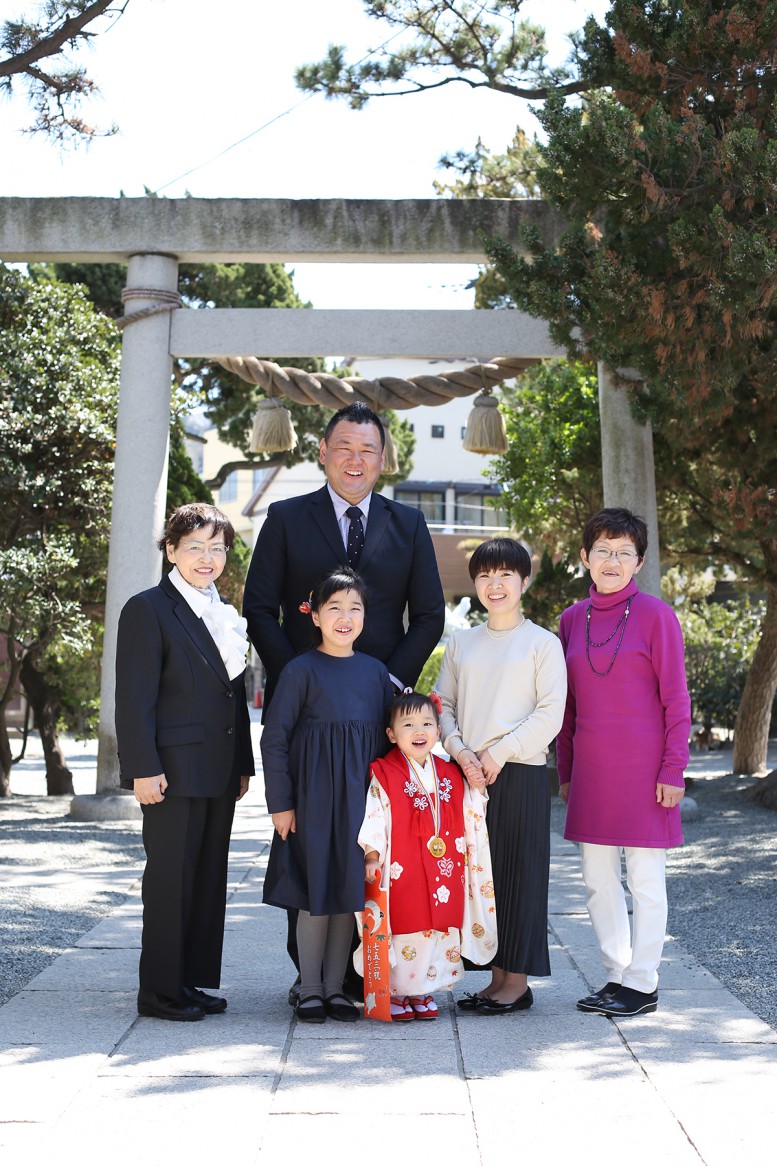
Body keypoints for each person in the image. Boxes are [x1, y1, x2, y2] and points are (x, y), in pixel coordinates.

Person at [243, 400, 445, 997]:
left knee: (373, 835)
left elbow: (429, 615)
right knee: (307, 833)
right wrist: (302, 674)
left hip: (377, 710)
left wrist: (386, 684)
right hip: (307, 711)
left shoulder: (407, 524)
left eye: (368, 450)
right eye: (345, 448)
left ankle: (362, 971)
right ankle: (307, 974)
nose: (356, 459)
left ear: (383, 460)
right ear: (324, 453)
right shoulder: (284, 516)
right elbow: (259, 608)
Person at [116, 503, 253, 1021]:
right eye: (194, 546)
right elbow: (135, 697)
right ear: (171, 550)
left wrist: (241, 763)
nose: (207, 557)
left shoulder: (221, 610)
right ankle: (159, 991)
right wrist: (141, 768)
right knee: (170, 879)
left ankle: (189, 981)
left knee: (205, 877)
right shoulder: (148, 608)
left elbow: (230, 694)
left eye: (216, 548)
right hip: (170, 770)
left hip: (218, 770)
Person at [557, 508, 690, 1018]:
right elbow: (567, 707)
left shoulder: (657, 616)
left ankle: (643, 980)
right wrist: (565, 771)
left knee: (646, 880)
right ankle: (615, 974)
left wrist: (673, 769)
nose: (612, 561)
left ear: (638, 562)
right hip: (591, 770)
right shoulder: (572, 619)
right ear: (586, 557)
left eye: (624, 553)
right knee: (597, 880)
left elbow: (676, 701)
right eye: (603, 551)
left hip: (646, 771)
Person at [437, 537, 567, 1014]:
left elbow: (550, 713)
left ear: (524, 581)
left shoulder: (542, 643)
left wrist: (499, 753)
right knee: (480, 880)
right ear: (475, 583)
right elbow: (442, 705)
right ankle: (495, 979)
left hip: (520, 775)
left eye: (505, 575)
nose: (495, 585)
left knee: (521, 876)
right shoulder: (462, 642)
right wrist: (459, 750)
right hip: (466, 776)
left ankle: (517, 982)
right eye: (485, 576)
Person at [260, 566, 395, 1023]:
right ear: (314, 615)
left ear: (365, 617)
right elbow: (274, 738)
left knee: (348, 893)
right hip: (312, 803)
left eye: (354, 608)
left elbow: (386, 742)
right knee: (313, 893)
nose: (344, 616)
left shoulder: (376, 673)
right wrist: (281, 803)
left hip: (359, 805)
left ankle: (337, 988)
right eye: (334, 607)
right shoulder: (300, 671)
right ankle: (311, 986)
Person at [359, 691, 497, 1020]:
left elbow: (470, 809)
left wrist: (476, 787)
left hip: (446, 865)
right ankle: (396, 992)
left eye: (426, 724)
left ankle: (424, 991)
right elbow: (375, 813)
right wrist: (372, 854)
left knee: (440, 926)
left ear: (437, 731)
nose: (418, 731)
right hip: (402, 867)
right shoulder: (385, 772)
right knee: (404, 925)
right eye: (408, 724)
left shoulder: (449, 772)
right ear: (392, 734)